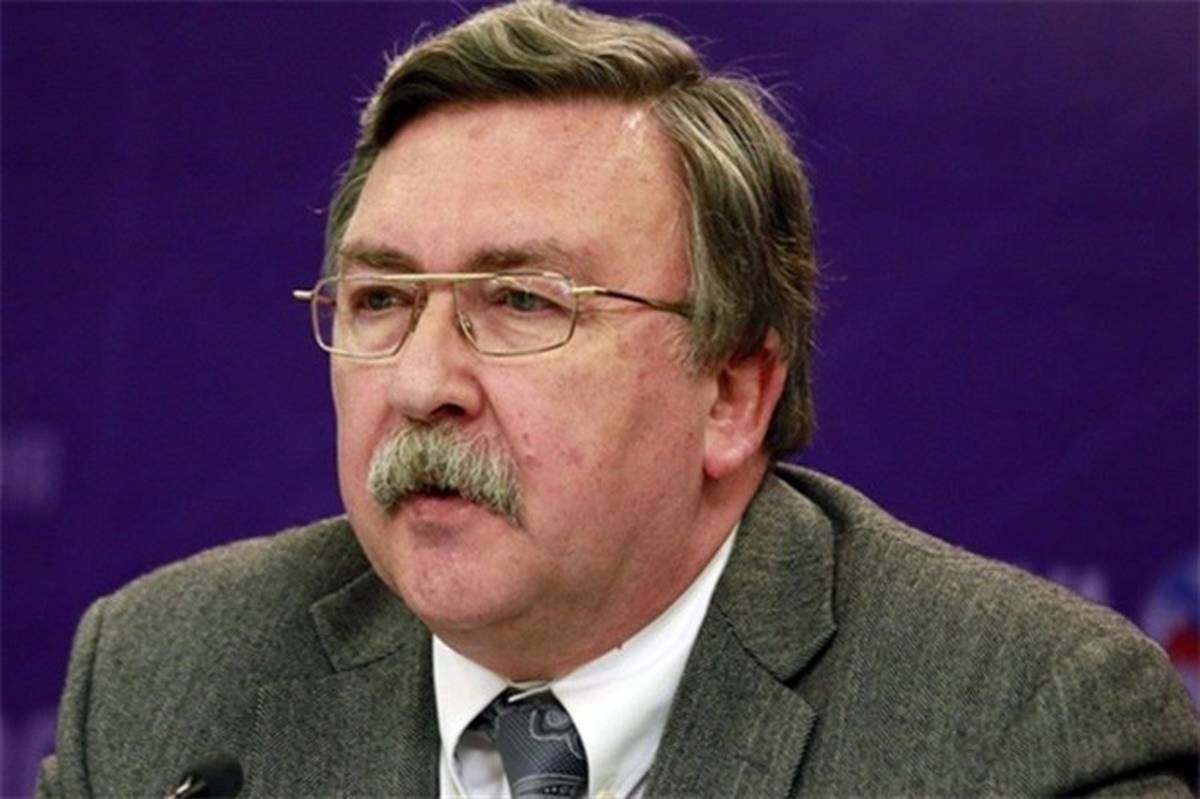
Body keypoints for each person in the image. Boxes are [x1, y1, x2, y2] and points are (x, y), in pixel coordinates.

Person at [37, 2, 1198, 797]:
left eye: (522, 302)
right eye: (383, 299)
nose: (425, 383)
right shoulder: (164, 677)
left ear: (731, 393)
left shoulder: (1020, 730)